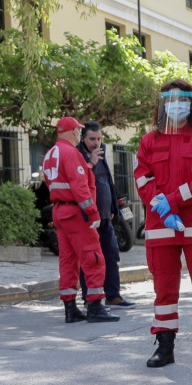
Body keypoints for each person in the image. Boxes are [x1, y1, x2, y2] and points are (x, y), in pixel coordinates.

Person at [133, 80, 192, 369]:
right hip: (161, 225)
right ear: (163, 104)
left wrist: (172, 201)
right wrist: (160, 206)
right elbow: (141, 178)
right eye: (171, 100)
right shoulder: (149, 141)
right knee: (163, 288)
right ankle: (165, 346)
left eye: (183, 100)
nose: (177, 105)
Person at [42, 117, 121, 324]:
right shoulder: (71, 153)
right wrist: (93, 213)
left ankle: (70, 308)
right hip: (76, 213)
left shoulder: (51, 154)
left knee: (68, 261)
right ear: (71, 132)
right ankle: (95, 307)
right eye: (77, 130)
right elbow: (80, 187)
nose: (78, 134)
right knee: (93, 257)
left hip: (60, 212)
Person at [77, 121, 135, 308]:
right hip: (88, 218)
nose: (96, 142)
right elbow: (80, 182)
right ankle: (89, 299)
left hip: (104, 216)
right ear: (83, 138)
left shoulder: (101, 153)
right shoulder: (78, 156)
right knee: (90, 259)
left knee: (111, 254)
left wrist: (112, 208)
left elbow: (107, 181)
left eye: (99, 138)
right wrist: (91, 162)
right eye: (92, 139)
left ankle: (113, 295)